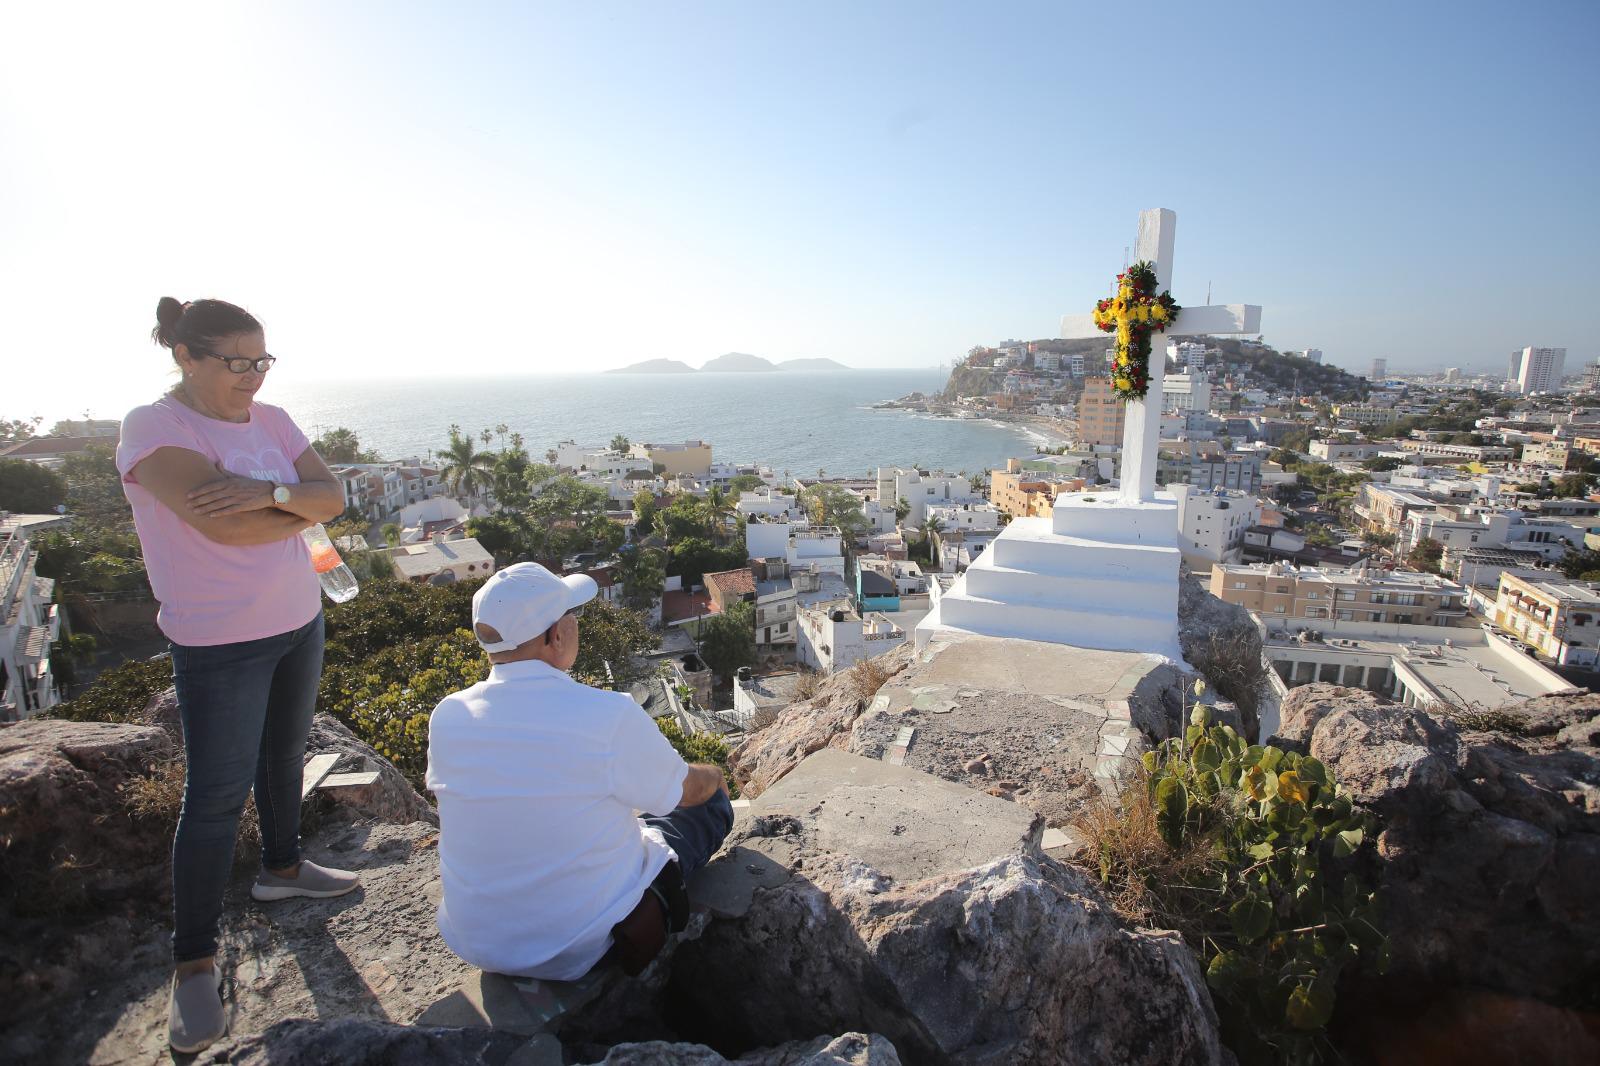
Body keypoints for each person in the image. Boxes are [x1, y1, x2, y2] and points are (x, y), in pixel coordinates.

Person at [117, 297, 361, 1053]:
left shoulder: (275, 420)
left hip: (298, 619)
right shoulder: (156, 428)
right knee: (216, 796)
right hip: (219, 638)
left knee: (285, 756)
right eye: (237, 363)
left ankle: (282, 866)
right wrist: (288, 504)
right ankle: (194, 960)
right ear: (188, 357)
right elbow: (217, 523)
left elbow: (333, 499)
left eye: (262, 361)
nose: (253, 378)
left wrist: (268, 493)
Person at [426, 563, 734, 981]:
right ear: (555, 635)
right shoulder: (607, 715)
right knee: (709, 803)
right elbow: (689, 792)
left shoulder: (448, 716)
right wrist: (714, 774)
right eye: (573, 616)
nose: (576, 625)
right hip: (579, 947)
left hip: (478, 942)